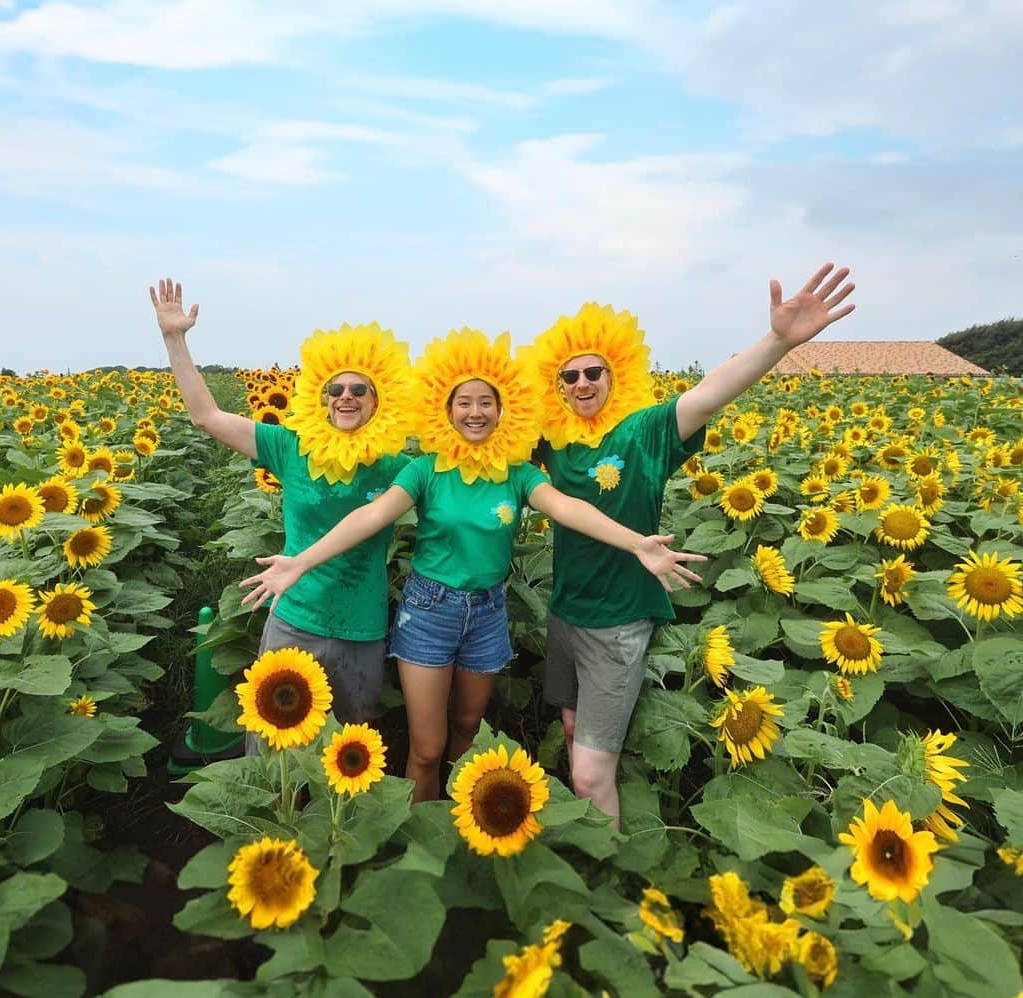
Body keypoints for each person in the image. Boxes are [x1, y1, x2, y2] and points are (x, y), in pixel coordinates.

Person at [240, 329, 707, 801]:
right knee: (427, 747)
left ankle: (459, 825)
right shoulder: (426, 469)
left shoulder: (518, 472)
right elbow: (374, 514)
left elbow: (566, 508)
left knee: (466, 730)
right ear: (446, 410)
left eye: (487, 402)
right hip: (428, 611)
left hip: (486, 614)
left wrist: (636, 544)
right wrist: (301, 561)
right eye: (464, 402)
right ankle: (419, 834)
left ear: (503, 410)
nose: (476, 412)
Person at [528, 264, 856, 825]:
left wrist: (776, 342)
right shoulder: (552, 444)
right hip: (565, 614)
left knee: (586, 774)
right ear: (556, 385)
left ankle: (609, 873)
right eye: (569, 376)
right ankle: (592, 844)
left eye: (593, 373)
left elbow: (707, 395)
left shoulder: (643, 431)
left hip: (618, 621)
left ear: (614, 376)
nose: (581, 383)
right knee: (570, 728)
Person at [149, 279, 414, 726]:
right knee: (274, 747)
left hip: (361, 627)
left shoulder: (396, 465)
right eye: (336, 389)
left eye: (358, 389)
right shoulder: (290, 446)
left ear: (378, 400)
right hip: (295, 616)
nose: (345, 396)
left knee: (349, 751)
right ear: (323, 398)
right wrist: (174, 339)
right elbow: (207, 417)